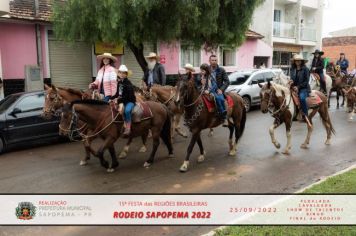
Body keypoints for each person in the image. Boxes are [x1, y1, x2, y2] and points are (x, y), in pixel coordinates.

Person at [113, 65, 136, 136]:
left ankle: (128, 127)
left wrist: (119, 100)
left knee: (127, 111)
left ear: (126, 74)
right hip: (122, 100)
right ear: (118, 74)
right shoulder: (119, 83)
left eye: (123, 73)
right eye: (120, 73)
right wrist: (111, 98)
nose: (122, 74)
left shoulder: (128, 83)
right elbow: (117, 94)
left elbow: (128, 96)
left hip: (129, 101)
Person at [290, 54, 311, 120]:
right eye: (296, 61)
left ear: (302, 61)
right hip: (294, 87)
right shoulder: (293, 69)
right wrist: (290, 82)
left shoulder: (306, 69)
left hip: (304, 88)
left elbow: (306, 81)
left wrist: (298, 87)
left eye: (299, 61)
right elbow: (292, 79)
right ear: (294, 62)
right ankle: (294, 114)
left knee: (302, 98)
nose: (298, 62)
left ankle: (305, 115)